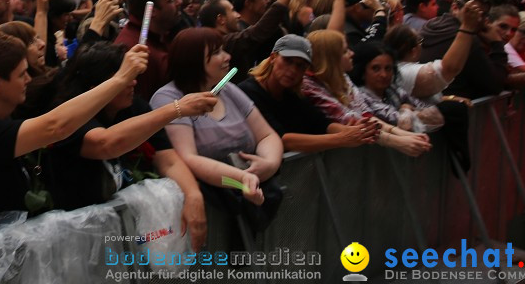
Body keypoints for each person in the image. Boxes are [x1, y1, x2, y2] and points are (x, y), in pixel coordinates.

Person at [0, 30, 149, 222]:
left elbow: (71, 74)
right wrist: (122, 78)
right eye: (21, 75)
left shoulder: (5, 116)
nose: (28, 80)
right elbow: (56, 126)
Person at [45, 43, 216, 249]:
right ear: (97, 88)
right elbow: (106, 143)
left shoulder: (134, 105)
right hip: (75, 239)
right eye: (124, 77)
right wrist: (176, 109)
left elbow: (168, 160)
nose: (133, 82)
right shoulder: (68, 115)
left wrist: (193, 195)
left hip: (118, 231)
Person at [152, 28, 283, 221]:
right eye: (216, 53)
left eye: (223, 50)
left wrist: (269, 163)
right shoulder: (168, 98)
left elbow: (267, 135)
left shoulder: (228, 89)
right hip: (212, 212)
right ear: (193, 61)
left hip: (248, 200)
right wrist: (242, 179)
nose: (227, 56)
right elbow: (188, 157)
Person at [238, 35, 378, 153]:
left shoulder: (293, 94)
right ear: (273, 57)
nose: (293, 70)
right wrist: (342, 138)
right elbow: (282, 139)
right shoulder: (248, 91)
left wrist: (355, 131)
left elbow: (323, 124)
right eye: (288, 61)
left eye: (300, 66)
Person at [302, 30, 432, 157]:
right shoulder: (308, 85)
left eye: (388, 68)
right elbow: (350, 119)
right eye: (345, 51)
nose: (352, 53)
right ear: (331, 58)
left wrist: (404, 134)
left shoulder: (343, 77)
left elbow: (365, 113)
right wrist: (398, 141)